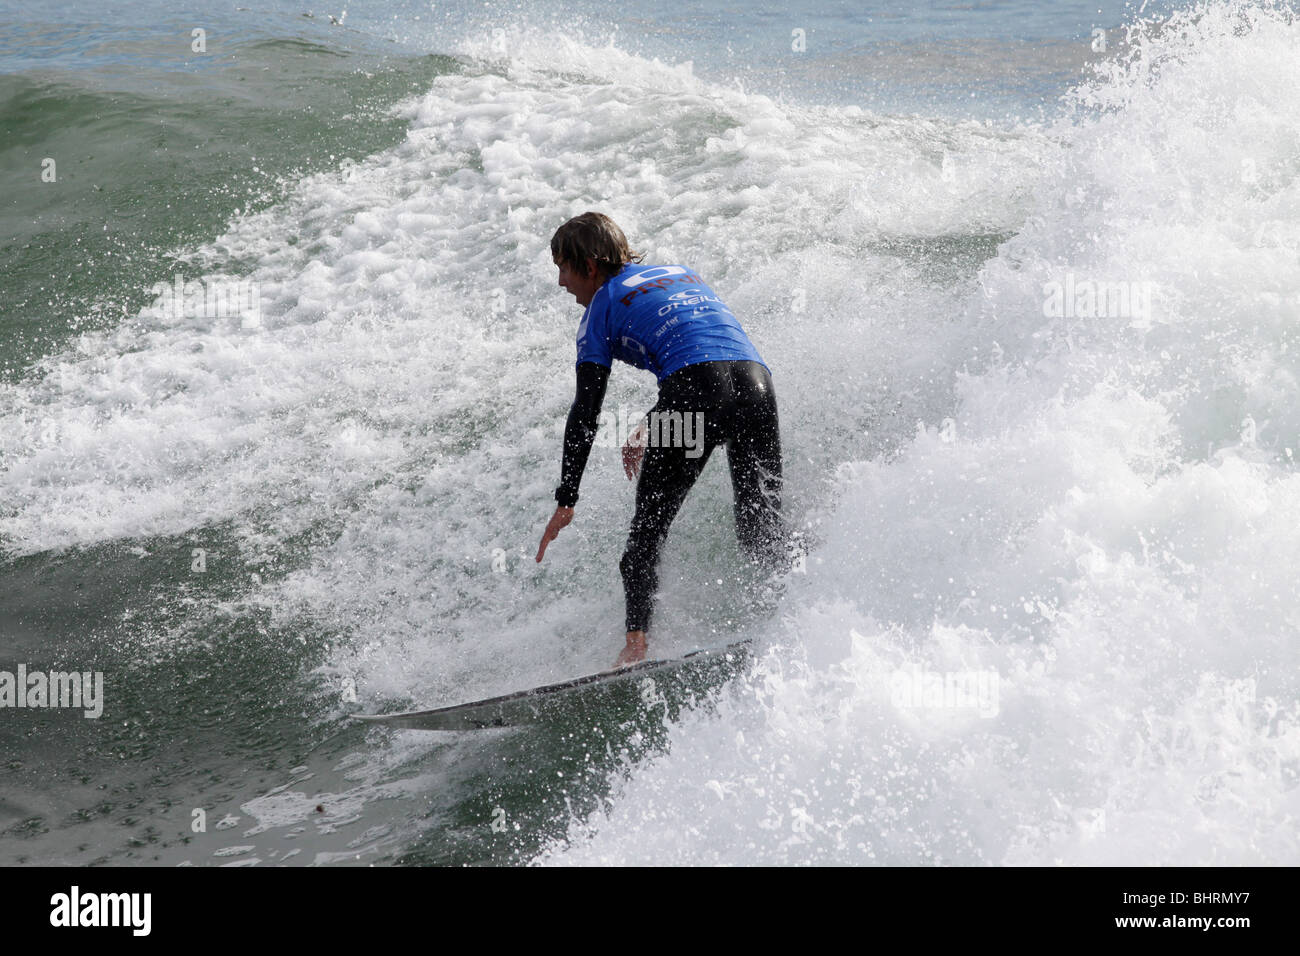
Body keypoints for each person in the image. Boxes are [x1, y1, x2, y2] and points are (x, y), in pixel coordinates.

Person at [535, 212, 787, 666]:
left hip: (695, 393)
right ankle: (801, 605)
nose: (560, 283)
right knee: (761, 526)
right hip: (757, 385)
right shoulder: (680, 273)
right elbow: (706, 352)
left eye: (564, 268)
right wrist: (655, 421)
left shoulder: (602, 308)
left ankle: (635, 648)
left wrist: (566, 497)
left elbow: (586, 411)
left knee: (644, 538)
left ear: (590, 267)